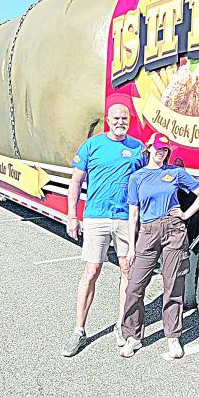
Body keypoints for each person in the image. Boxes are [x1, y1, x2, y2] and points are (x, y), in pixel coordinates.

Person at [60, 103, 146, 357]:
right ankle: (79, 330)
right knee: (92, 271)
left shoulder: (138, 149)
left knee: (127, 271)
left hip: (124, 220)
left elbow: (146, 180)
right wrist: (72, 216)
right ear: (108, 120)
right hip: (96, 217)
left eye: (124, 118)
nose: (120, 121)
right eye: (116, 118)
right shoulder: (92, 146)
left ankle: (122, 325)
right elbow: (75, 181)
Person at [120, 134, 199, 360]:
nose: (161, 153)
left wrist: (186, 214)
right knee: (134, 287)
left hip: (173, 230)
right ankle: (133, 336)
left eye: (165, 150)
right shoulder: (137, 178)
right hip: (147, 232)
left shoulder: (175, 173)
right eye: (158, 149)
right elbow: (133, 213)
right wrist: (132, 246)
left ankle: (173, 336)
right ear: (149, 148)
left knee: (173, 285)